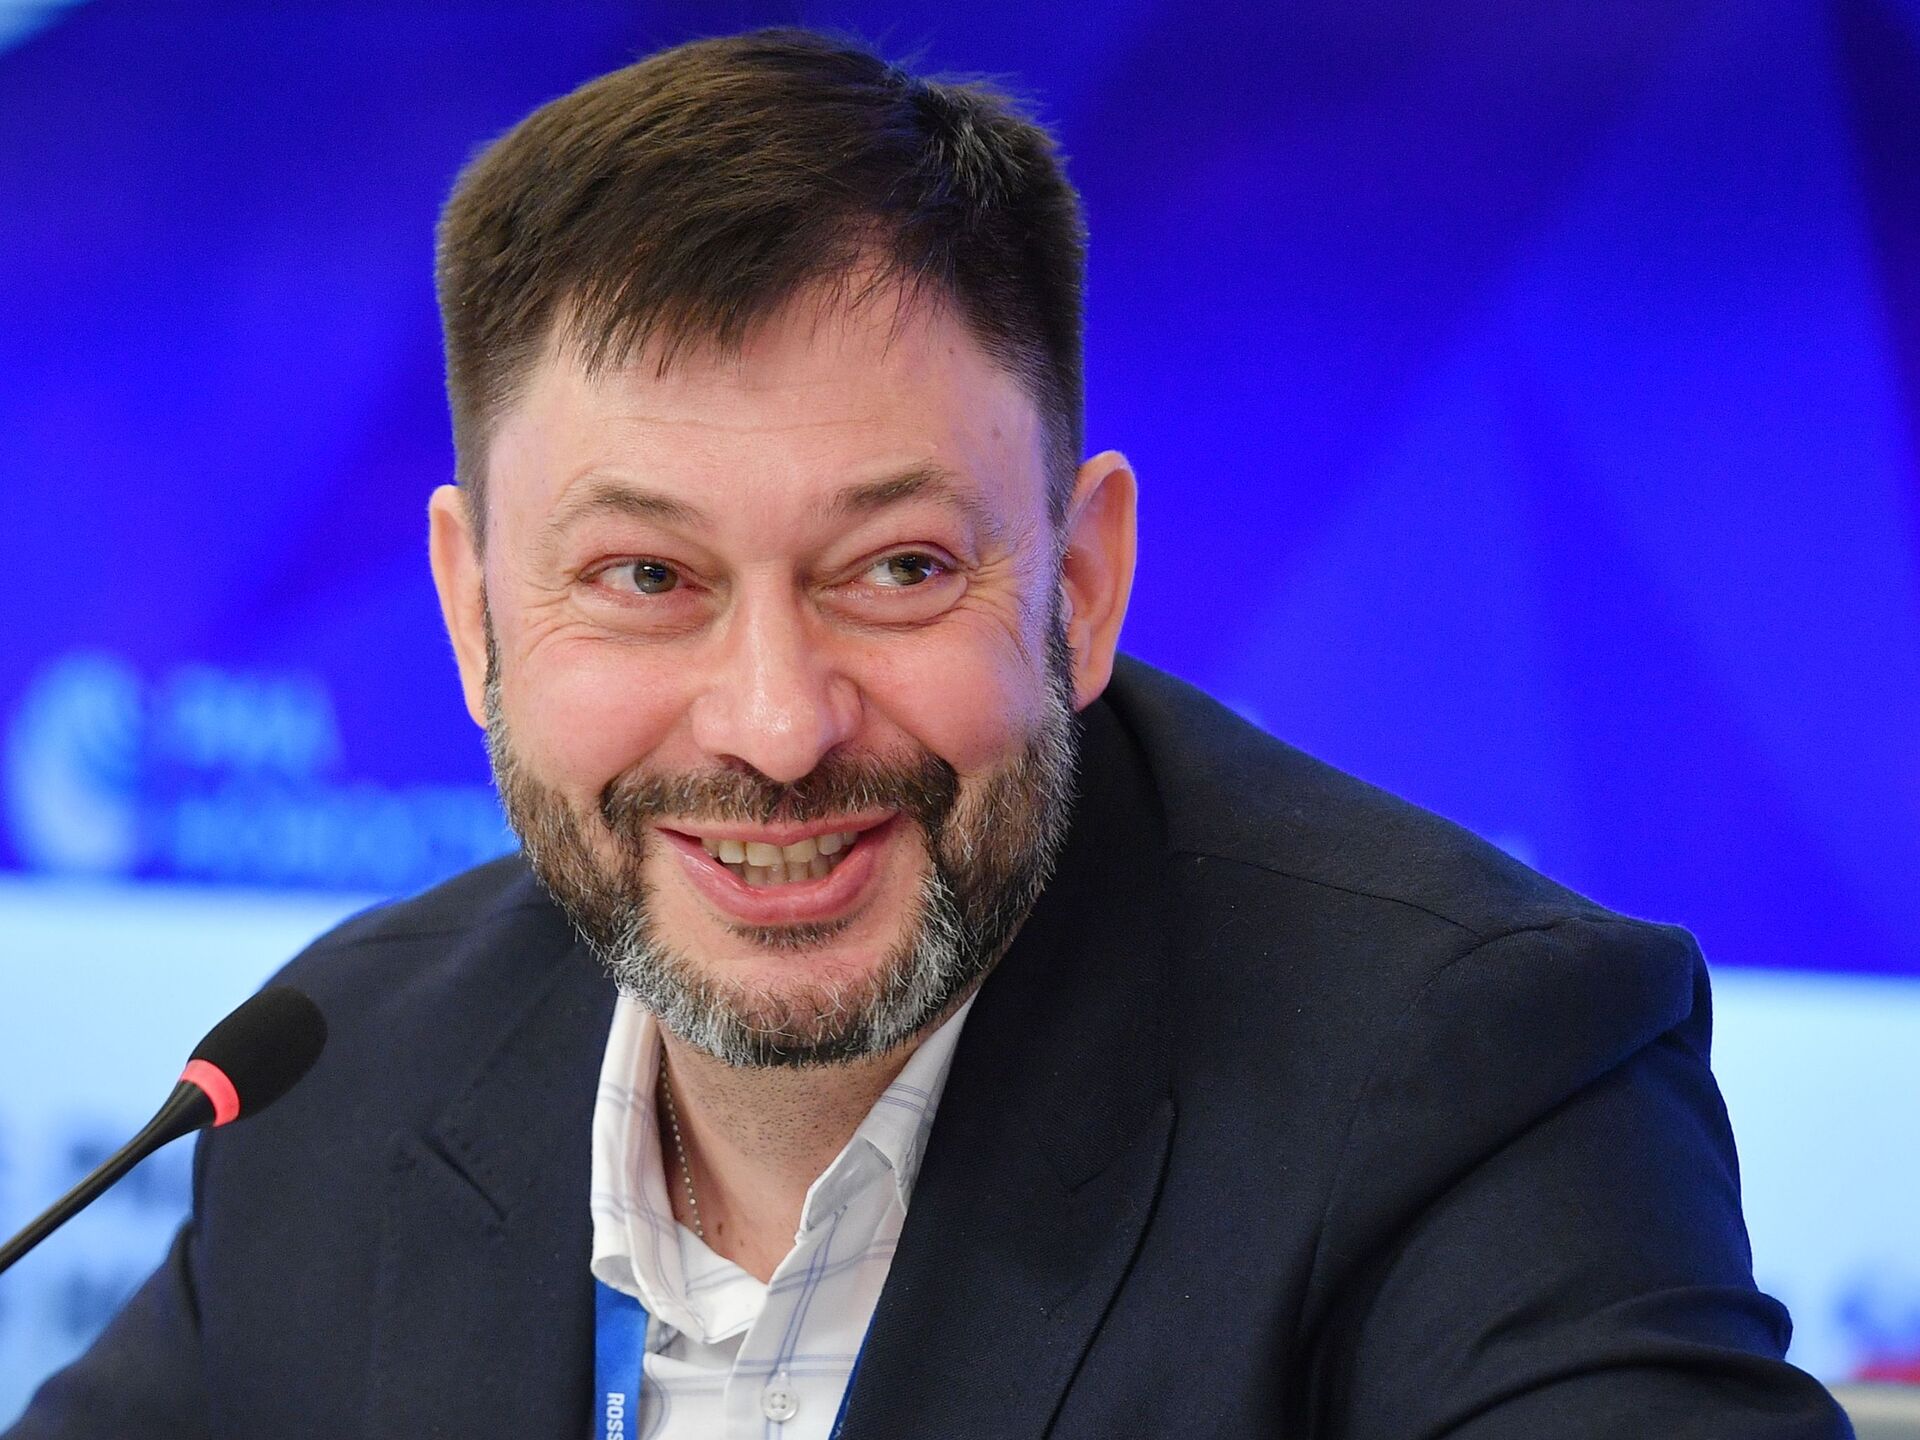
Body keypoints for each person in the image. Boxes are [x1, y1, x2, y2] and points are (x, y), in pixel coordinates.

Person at [5, 27, 1853, 1440]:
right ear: (475, 614)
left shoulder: (1475, 1077)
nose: (775, 725)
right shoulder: (339, 1081)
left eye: (896, 569)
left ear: (1082, 584)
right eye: (646, 577)